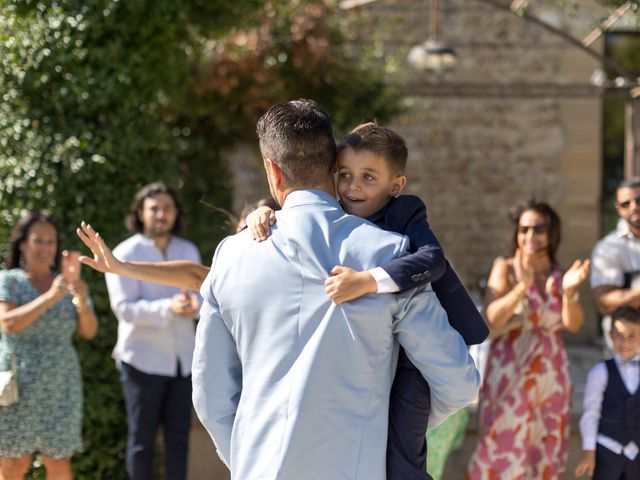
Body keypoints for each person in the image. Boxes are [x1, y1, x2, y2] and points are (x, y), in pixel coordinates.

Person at [191, 98, 480, 480]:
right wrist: (385, 431)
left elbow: (210, 397)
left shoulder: (231, 256)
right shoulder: (387, 252)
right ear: (334, 166)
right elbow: (458, 382)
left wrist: (249, 460)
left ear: (272, 172)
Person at [467, 199, 590, 479]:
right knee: (500, 449)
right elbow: (492, 317)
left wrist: (569, 293)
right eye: (524, 229)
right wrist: (522, 287)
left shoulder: (560, 275)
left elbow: (574, 323)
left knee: (545, 452)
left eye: (538, 229)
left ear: (551, 233)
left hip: (551, 376)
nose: (530, 236)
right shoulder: (506, 268)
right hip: (510, 371)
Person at [105, 182, 201, 480]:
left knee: (179, 440)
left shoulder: (188, 249)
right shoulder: (124, 253)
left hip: (183, 361)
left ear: (176, 213)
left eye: (167, 208)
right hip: (141, 361)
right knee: (141, 443)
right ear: (140, 213)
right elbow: (125, 308)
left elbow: (202, 294)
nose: (162, 214)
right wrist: (168, 308)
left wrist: (192, 306)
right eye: (154, 208)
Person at [0, 211, 97, 480]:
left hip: (61, 384)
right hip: (18, 384)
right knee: (14, 463)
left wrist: (81, 299)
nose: (46, 247)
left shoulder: (68, 285)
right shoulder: (10, 280)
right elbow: (8, 323)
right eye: (38, 240)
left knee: (59, 462)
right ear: (23, 244)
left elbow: (88, 331)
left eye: (51, 241)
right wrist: (51, 297)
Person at [575, 306, 640, 479]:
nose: (625, 343)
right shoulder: (600, 371)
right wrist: (588, 451)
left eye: (631, 336)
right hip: (608, 449)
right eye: (619, 336)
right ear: (610, 335)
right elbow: (591, 412)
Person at [591, 177, 640, 353]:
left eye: (638, 200)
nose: (634, 207)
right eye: (626, 203)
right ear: (618, 209)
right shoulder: (608, 247)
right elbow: (604, 302)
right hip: (624, 352)